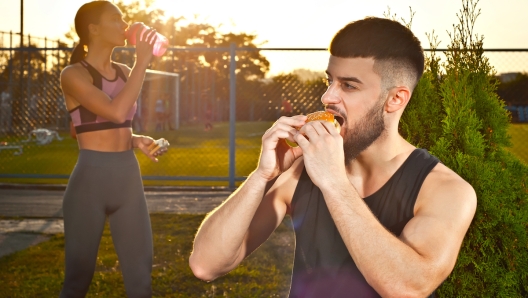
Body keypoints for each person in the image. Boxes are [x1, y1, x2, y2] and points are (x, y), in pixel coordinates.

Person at [189, 17, 477, 297]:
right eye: (330, 81)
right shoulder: (300, 171)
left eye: (349, 85)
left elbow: (407, 288)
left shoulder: (446, 190)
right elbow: (206, 265)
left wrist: (334, 183)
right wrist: (261, 176)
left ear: (395, 99)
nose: (328, 97)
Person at [58, 1, 167, 297]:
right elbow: (115, 112)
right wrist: (142, 62)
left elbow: (98, 125)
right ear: (93, 29)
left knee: (141, 280)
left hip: (128, 179)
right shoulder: (73, 74)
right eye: (116, 20)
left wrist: (134, 139)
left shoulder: (122, 72)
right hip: (90, 183)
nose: (124, 25)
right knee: (78, 280)